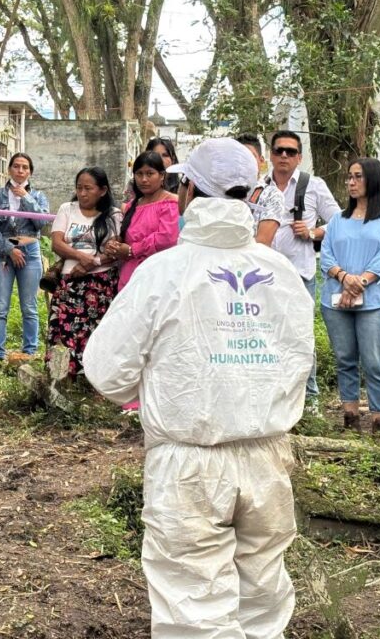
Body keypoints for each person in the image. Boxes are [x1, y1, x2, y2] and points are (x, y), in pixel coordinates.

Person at [82, 138, 314, 637]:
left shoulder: (162, 272)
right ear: (249, 195)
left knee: (193, 606)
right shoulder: (281, 273)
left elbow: (106, 370)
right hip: (269, 457)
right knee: (262, 594)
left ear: (187, 190)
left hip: (189, 463)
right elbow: (299, 360)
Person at [321, 158, 380, 434]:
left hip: (375, 302)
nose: (351, 182)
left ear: (373, 181)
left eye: (358, 177)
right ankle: (350, 418)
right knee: (345, 358)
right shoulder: (337, 220)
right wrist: (344, 278)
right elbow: (326, 256)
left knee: (374, 362)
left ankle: (379, 420)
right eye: (349, 177)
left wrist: (359, 283)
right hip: (336, 300)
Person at [267, 130, 342, 412]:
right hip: (266, 273)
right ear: (270, 155)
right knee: (268, 333)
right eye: (278, 151)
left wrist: (313, 232)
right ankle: (274, 395)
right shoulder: (259, 185)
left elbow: (339, 220)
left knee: (301, 335)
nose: (283, 156)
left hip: (300, 272)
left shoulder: (314, 185)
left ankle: (309, 398)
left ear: (299, 157)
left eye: (290, 151)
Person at [47, 167, 122, 378]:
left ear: (103, 190)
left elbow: (114, 250)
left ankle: (93, 377)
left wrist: (93, 262)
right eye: (79, 188)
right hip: (70, 281)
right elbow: (57, 243)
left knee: (95, 331)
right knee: (64, 328)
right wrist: (82, 257)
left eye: (88, 188)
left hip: (101, 284)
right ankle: (62, 375)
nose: (82, 193)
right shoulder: (67, 209)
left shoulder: (113, 215)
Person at [0, 152, 49, 369]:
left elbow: (42, 224)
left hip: (30, 253)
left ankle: (29, 352)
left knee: (29, 306)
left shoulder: (38, 196)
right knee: (0, 307)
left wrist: (26, 198)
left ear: (30, 172)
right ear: (10, 169)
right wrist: (10, 249)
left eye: (25, 167)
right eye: (17, 166)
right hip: (3, 255)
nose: (21, 171)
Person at [104, 151, 179, 289]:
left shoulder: (170, 203)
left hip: (157, 274)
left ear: (162, 175)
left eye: (150, 174)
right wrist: (115, 246)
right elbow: (127, 236)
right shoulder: (133, 205)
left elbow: (167, 238)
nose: (144, 179)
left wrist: (133, 250)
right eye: (139, 174)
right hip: (130, 275)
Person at [234, 132, 285, 246]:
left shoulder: (271, 195)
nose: (245, 162)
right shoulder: (221, 191)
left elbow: (262, 242)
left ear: (261, 161)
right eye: (240, 157)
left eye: (250, 157)